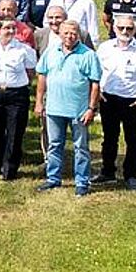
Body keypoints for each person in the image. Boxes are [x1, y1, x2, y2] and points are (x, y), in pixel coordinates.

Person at [36, 19, 101, 196]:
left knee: (81, 147)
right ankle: (53, 178)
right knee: (54, 145)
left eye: (73, 33)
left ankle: (82, 182)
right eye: (66, 33)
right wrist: (39, 102)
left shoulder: (88, 55)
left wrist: (91, 108)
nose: (69, 36)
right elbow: (42, 77)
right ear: (60, 33)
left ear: (78, 34)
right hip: (53, 108)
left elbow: (95, 84)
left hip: (79, 110)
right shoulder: (51, 51)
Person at [96, 14, 136, 190]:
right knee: (109, 138)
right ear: (114, 28)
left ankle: (131, 174)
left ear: (135, 29)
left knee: (133, 140)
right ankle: (107, 172)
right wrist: (98, 93)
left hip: (134, 102)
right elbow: (95, 71)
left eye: (129, 28)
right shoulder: (104, 48)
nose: (125, 31)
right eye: (121, 28)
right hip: (109, 99)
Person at [0, 13, 38, 179]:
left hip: (16, 94)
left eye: (13, 28)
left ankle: (10, 170)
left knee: (15, 132)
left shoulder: (24, 50)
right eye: (6, 28)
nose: (11, 31)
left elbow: (30, 71)